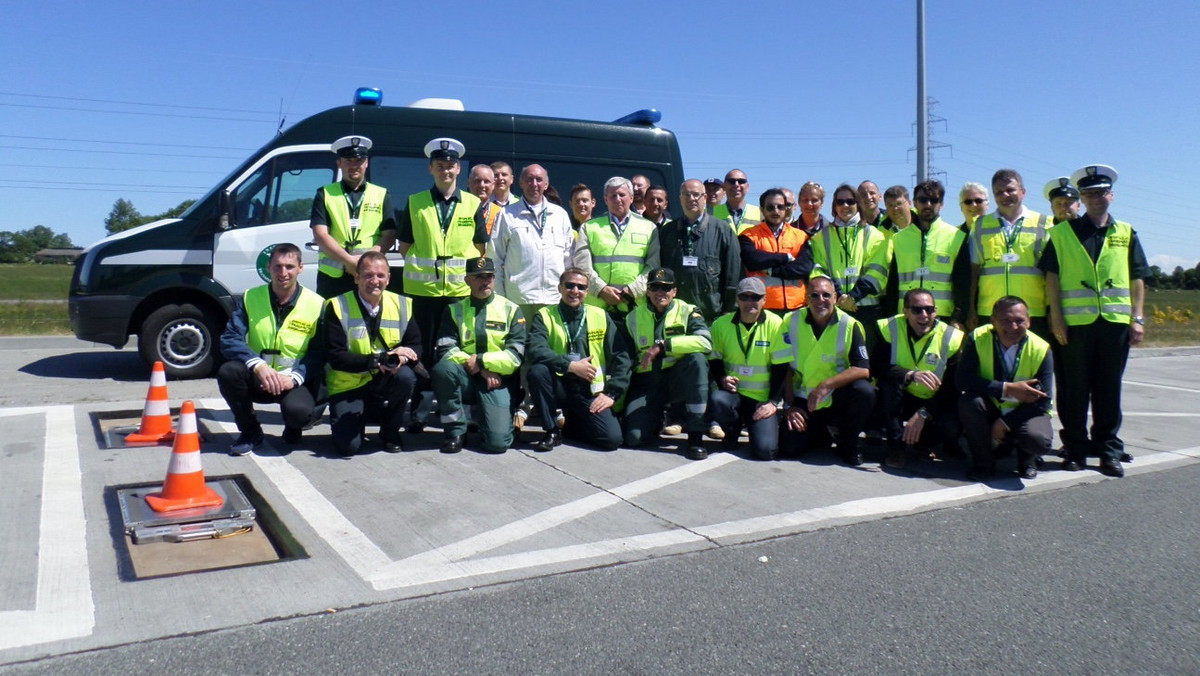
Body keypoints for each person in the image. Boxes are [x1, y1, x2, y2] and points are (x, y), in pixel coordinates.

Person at [1041, 164, 1148, 477]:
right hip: (1073, 325)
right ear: (1082, 198)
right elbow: (1052, 277)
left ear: (1111, 196)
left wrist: (1137, 318)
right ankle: (1074, 449)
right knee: (1073, 389)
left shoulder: (1125, 232)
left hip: (1114, 324)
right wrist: (1056, 318)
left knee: (1108, 388)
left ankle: (1108, 449)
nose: (1096, 198)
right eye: (1089, 194)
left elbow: (1138, 278)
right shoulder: (1061, 234)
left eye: (1101, 193)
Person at [397, 137, 487, 430]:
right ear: (430, 169)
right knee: (422, 352)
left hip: (459, 294)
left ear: (458, 169)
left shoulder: (473, 203)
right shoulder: (415, 202)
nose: (445, 171)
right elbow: (405, 246)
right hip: (423, 293)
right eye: (440, 166)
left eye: (450, 166)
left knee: (457, 349)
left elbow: (480, 248)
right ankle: (421, 409)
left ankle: (464, 408)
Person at [489, 164, 575, 430]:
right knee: (524, 357)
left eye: (539, 179)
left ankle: (553, 404)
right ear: (521, 184)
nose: (534, 184)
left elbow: (568, 258)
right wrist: (502, 298)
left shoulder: (560, 215)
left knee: (553, 354)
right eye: (529, 179)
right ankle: (525, 405)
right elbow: (495, 258)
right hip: (520, 298)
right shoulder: (507, 215)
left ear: (546, 184)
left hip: (552, 298)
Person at [218, 243, 324, 455]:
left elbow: (319, 352)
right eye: (277, 266)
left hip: (292, 380)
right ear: (268, 267)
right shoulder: (251, 297)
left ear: (300, 268)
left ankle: (294, 426)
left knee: (300, 413)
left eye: (289, 267)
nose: (283, 273)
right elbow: (230, 337)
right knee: (228, 372)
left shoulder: (317, 303)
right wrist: (257, 365)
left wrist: (294, 378)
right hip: (260, 376)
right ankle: (250, 431)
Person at [322, 251, 421, 456]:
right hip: (348, 385)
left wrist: (402, 356)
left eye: (380, 275)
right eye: (368, 275)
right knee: (348, 448)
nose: (374, 281)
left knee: (405, 377)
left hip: (384, 381)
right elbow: (335, 356)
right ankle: (362, 415)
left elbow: (416, 346)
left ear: (388, 278)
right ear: (356, 277)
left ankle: (390, 432)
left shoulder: (402, 305)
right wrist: (376, 360)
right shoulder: (337, 306)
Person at [525, 268, 632, 452]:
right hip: (558, 386)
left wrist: (612, 394)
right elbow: (535, 350)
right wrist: (570, 366)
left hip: (589, 390)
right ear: (560, 288)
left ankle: (573, 425)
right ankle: (552, 431)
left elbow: (622, 356)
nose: (575, 291)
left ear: (587, 292)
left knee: (612, 440)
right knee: (537, 371)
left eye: (581, 287)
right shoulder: (545, 315)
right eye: (570, 285)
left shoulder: (599, 315)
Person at [775, 275, 875, 466]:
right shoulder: (791, 321)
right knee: (789, 448)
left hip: (836, 397)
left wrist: (825, 385)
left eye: (826, 295)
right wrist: (789, 406)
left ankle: (848, 444)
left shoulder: (850, 325)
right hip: (803, 399)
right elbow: (784, 366)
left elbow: (862, 369)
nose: (821, 300)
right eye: (814, 295)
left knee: (865, 391)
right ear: (806, 298)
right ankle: (821, 433)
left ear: (835, 297)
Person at [431, 257, 526, 454]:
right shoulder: (454, 310)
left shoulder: (511, 310)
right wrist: (480, 368)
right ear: (467, 280)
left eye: (489, 277)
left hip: (498, 380)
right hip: (467, 376)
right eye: (478, 277)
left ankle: (495, 421)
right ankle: (456, 432)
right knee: (443, 370)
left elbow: (515, 357)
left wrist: (482, 362)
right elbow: (445, 350)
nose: (485, 282)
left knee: (497, 445)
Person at [957, 295, 1053, 481]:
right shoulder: (977, 338)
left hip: (1024, 413)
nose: (1013, 327)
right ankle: (984, 463)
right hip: (991, 407)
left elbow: (1044, 400)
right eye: (1005, 321)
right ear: (993, 321)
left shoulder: (1041, 348)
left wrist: (1005, 423)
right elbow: (962, 380)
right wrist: (1005, 389)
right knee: (969, 402)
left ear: (1029, 322)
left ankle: (1027, 460)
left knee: (1038, 439)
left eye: (1019, 321)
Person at [623, 267, 713, 460]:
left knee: (696, 360)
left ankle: (696, 436)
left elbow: (705, 343)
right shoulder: (633, 318)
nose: (660, 293)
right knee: (633, 438)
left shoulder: (688, 311)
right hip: (648, 381)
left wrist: (664, 345)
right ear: (647, 290)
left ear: (674, 291)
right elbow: (624, 359)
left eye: (666, 288)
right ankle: (657, 418)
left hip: (678, 380)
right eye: (655, 287)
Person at [872, 288, 964, 468]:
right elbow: (877, 366)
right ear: (905, 311)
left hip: (932, 401)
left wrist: (925, 412)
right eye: (916, 310)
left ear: (936, 311)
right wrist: (911, 375)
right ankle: (896, 447)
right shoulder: (890, 328)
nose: (924, 315)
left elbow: (952, 389)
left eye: (929, 309)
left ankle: (924, 443)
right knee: (888, 385)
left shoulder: (950, 337)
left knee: (953, 424)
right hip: (900, 397)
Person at [708, 277, 788, 460]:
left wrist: (773, 402)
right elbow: (714, 359)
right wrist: (722, 379)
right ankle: (732, 430)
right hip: (733, 395)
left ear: (764, 300)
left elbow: (782, 368)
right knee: (717, 400)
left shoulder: (776, 324)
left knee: (766, 452)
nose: (750, 302)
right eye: (744, 297)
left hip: (761, 400)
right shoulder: (721, 325)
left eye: (755, 298)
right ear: (737, 299)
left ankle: (759, 426)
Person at [967, 169, 1052, 335]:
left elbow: (1052, 274)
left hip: (1032, 312)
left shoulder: (1045, 223)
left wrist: (1052, 311)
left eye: (1010, 190)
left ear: (1023, 192)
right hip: (991, 312)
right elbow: (973, 271)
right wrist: (971, 308)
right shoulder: (980, 226)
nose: (1005, 195)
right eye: (999, 192)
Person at [310, 135, 396, 299]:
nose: (354, 165)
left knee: (367, 321)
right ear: (339, 163)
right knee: (331, 322)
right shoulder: (324, 193)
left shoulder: (382, 194)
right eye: (348, 161)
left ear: (366, 163)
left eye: (358, 160)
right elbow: (320, 235)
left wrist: (365, 263)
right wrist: (349, 261)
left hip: (369, 276)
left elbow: (389, 235)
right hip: (332, 278)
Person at [809, 183, 891, 349]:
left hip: (867, 309)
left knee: (867, 363)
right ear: (834, 206)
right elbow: (818, 270)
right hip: (833, 309)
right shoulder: (820, 238)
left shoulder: (875, 235)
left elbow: (878, 271)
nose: (845, 206)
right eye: (840, 202)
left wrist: (853, 296)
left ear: (858, 204)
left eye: (850, 201)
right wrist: (839, 297)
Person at [885, 179, 970, 328]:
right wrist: (890, 317)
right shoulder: (899, 238)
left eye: (934, 200)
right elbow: (893, 284)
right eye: (923, 200)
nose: (928, 204)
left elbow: (963, 283)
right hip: (906, 316)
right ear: (915, 203)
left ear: (941, 204)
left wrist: (958, 317)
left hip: (942, 317)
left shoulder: (956, 236)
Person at [572, 176, 660, 317]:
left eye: (622, 195)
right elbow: (582, 267)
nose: (618, 199)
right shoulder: (589, 227)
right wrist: (601, 289)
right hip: (598, 307)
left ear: (631, 198)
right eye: (613, 195)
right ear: (606, 199)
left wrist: (633, 290)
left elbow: (653, 266)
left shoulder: (649, 228)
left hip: (635, 306)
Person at [660, 179, 742, 322]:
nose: (691, 199)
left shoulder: (722, 230)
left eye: (696, 195)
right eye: (686, 195)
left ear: (704, 198)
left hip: (712, 317)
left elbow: (733, 274)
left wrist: (730, 310)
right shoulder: (667, 232)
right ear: (680, 199)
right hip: (674, 316)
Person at [739, 187, 813, 313]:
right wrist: (785, 258)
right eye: (770, 207)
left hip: (796, 307)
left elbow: (804, 268)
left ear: (786, 209)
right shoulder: (748, 235)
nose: (776, 211)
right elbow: (752, 260)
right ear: (762, 209)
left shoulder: (801, 236)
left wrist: (770, 270)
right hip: (762, 307)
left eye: (780, 207)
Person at [712, 169, 762, 233]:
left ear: (747, 187)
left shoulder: (761, 213)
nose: (736, 185)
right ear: (724, 187)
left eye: (741, 181)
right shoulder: (709, 213)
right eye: (731, 181)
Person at [468, 164, 503, 236]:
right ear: (468, 183)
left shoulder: (499, 213)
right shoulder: (459, 208)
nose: (482, 185)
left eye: (486, 181)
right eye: (477, 181)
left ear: (493, 185)